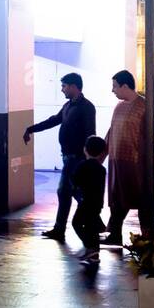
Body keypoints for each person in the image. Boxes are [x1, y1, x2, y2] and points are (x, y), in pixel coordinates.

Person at [23, 72, 96, 241]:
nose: (62, 89)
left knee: (64, 191)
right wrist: (31, 129)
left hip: (77, 158)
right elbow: (53, 120)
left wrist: (88, 157)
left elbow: (90, 133)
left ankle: (60, 229)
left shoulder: (87, 107)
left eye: (64, 86)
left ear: (73, 86)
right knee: (75, 193)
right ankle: (92, 222)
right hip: (69, 157)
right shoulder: (67, 106)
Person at [103, 70, 153, 246]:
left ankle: (148, 239)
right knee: (117, 200)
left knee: (142, 201)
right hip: (117, 162)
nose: (113, 90)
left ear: (125, 86)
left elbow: (150, 138)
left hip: (135, 164)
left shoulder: (143, 106)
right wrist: (101, 154)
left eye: (115, 86)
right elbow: (111, 132)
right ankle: (114, 234)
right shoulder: (119, 106)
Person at [71, 136, 108, 266]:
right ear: (103, 152)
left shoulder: (83, 166)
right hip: (97, 204)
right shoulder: (102, 169)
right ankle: (94, 254)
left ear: (85, 149)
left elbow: (75, 181)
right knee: (92, 228)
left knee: (76, 223)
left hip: (85, 202)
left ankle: (90, 248)